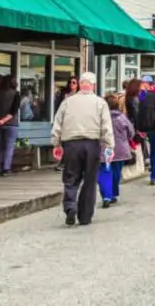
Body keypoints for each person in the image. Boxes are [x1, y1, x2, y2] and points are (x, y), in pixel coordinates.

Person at [51, 72, 114, 226]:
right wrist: (109, 146)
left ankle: (70, 206)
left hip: (71, 144)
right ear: (94, 85)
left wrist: (56, 143)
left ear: (79, 84)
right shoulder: (100, 103)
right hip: (92, 144)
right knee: (90, 180)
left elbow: (57, 123)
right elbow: (106, 126)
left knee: (71, 177)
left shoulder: (68, 102)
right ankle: (85, 215)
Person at [0, 75, 21, 176]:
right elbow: (13, 111)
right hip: (10, 124)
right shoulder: (16, 94)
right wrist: (3, 121)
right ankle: (6, 168)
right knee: (9, 146)